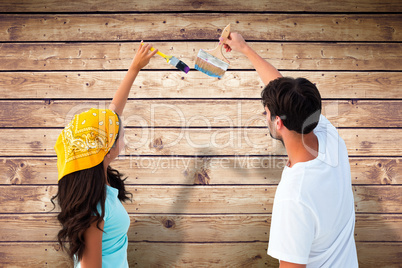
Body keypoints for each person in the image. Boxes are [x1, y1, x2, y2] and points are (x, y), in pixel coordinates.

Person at [220, 34, 358, 267]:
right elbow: (287, 93)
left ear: (278, 123)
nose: (264, 116)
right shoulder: (329, 137)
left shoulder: (294, 196)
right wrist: (245, 49)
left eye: (266, 113)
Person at [51, 42, 157, 267]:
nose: (123, 133)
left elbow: (113, 114)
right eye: (118, 133)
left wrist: (135, 68)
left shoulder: (98, 182)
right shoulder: (94, 208)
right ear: (105, 150)